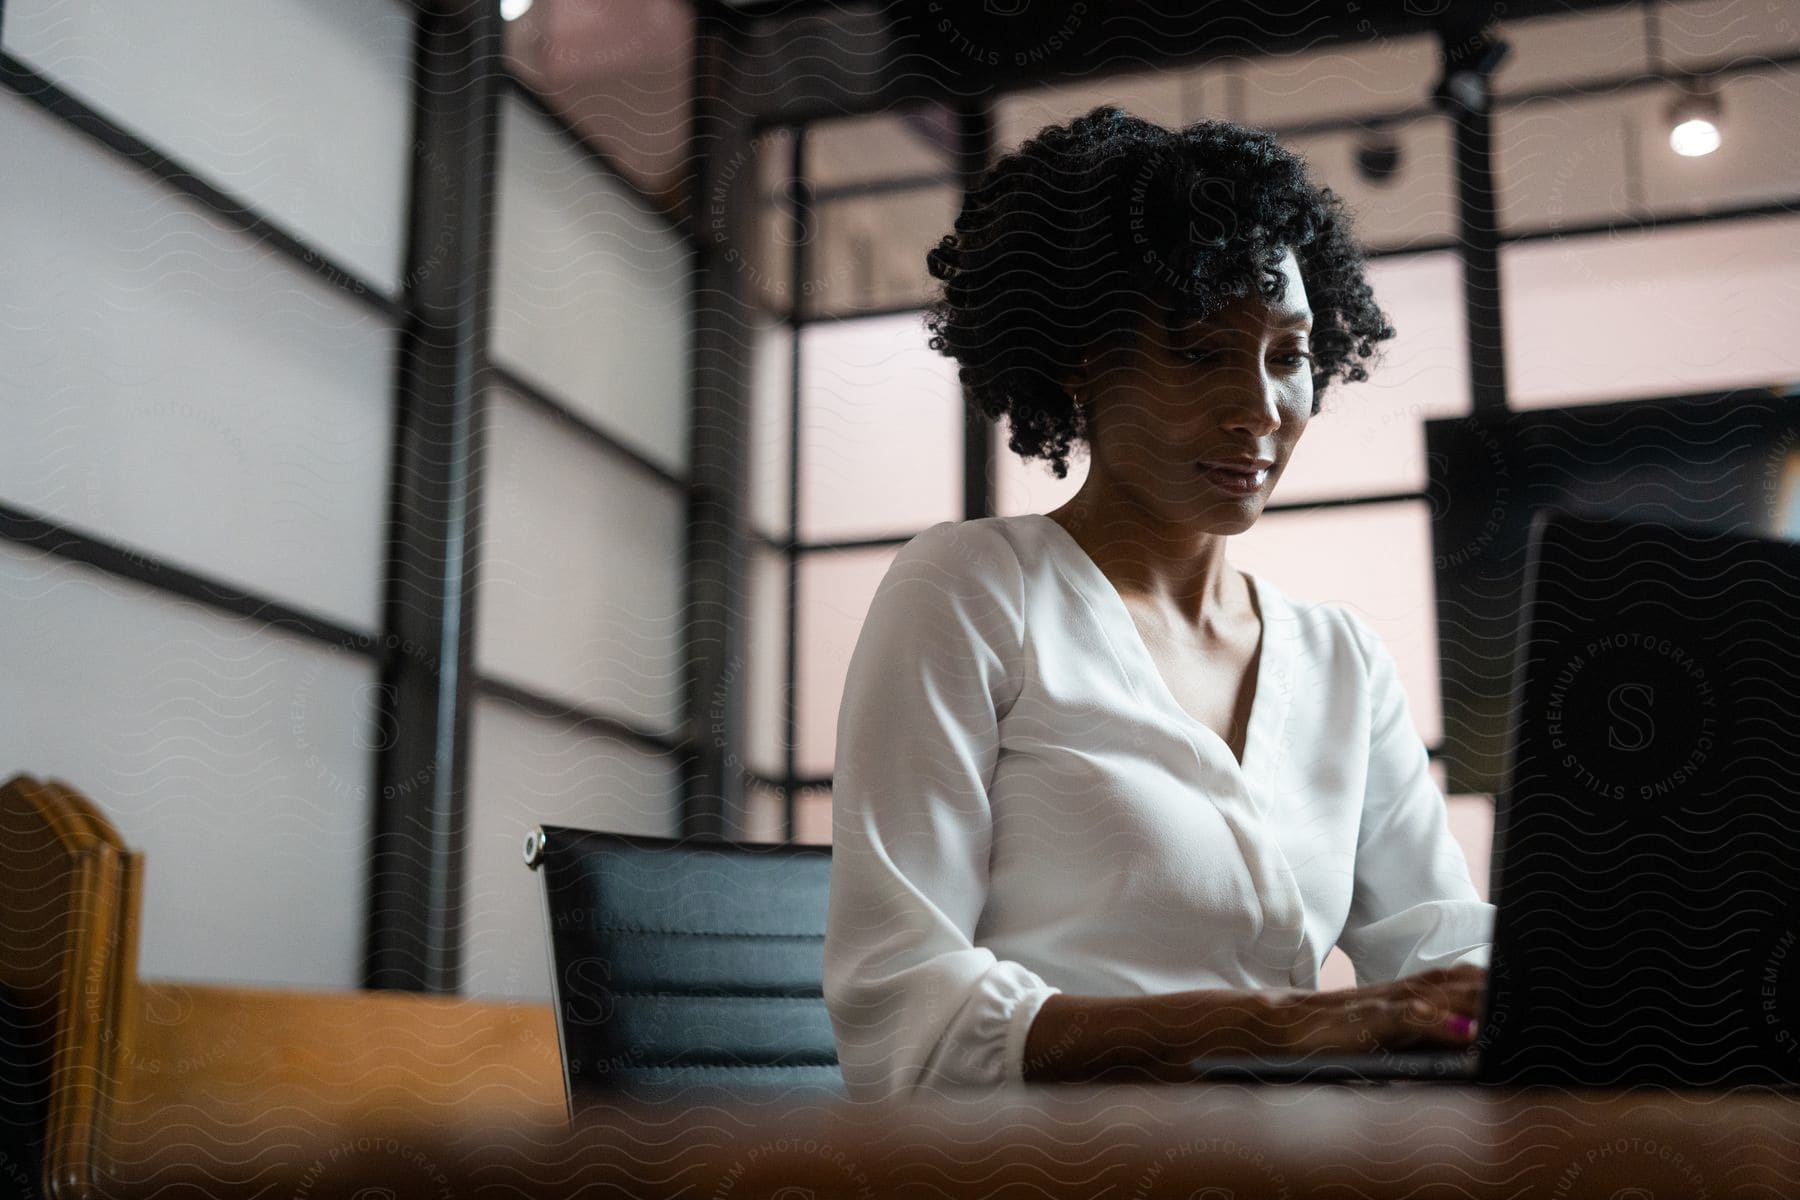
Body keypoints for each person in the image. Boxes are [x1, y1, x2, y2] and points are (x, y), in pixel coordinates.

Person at [821, 106, 1494, 1103]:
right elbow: (903, 1013)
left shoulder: (1338, 659)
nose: (1261, 409)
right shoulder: (971, 593)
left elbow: (1440, 944)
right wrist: (1285, 1023)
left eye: (1289, 355)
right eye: (1199, 353)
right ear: (1079, 362)